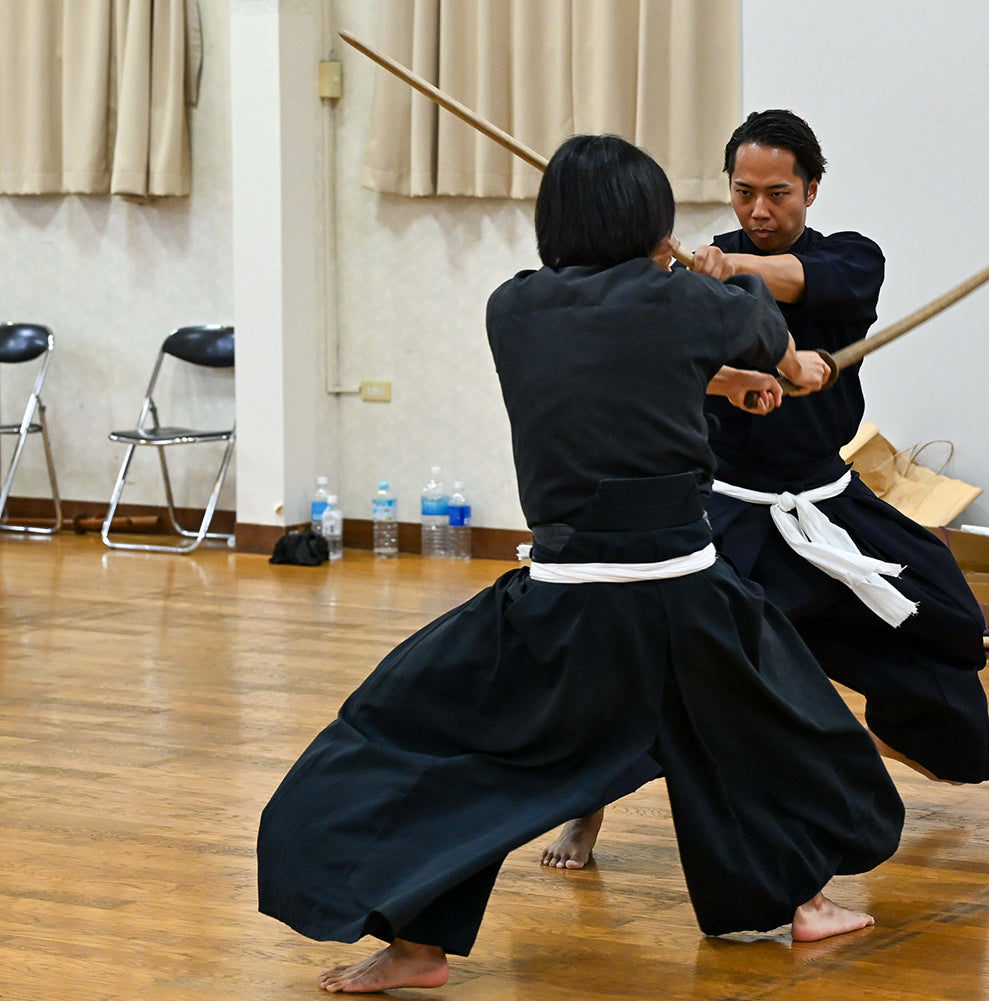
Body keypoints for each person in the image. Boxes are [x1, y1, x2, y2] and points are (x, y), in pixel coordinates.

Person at [257, 134, 905, 994]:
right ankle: (805, 901)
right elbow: (764, 328)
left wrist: (719, 378)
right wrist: (789, 367)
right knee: (777, 737)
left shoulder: (513, 307)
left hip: (562, 602)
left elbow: (618, 358)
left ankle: (417, 948)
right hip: (685, 597)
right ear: (654, 224)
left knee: (418, 735)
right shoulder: (694, 305)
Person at [542, 110, 989, 872]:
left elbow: (808, 283)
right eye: (744, 191)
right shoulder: (688, 274)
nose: (758, 210)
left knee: (947, 616)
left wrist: (736, 270)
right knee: (663, 664)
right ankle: (585, 808)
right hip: (727, 512)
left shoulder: (849, 259)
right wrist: (715, 309)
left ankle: (886, 738)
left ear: (811, 189)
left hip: (828, 503)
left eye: (778, 192)